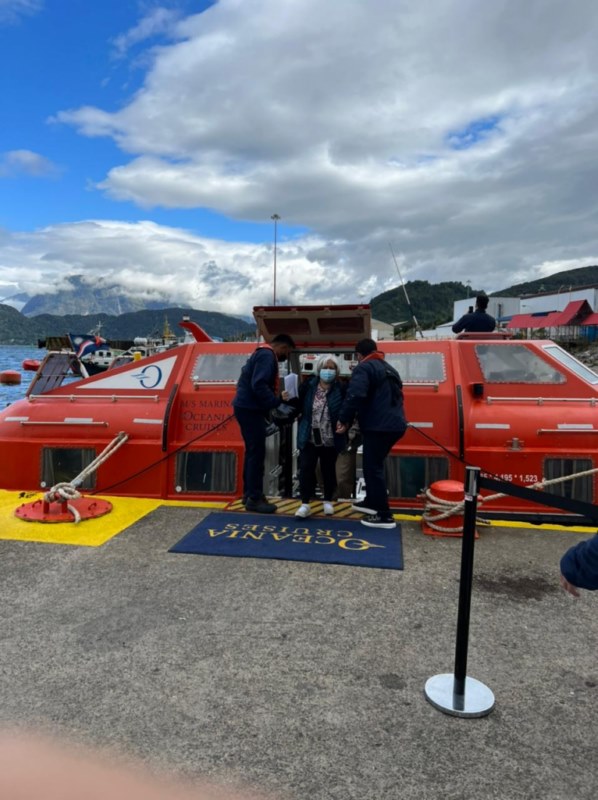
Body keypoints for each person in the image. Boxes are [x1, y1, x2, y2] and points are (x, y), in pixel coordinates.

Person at [336, 338, 407, 529]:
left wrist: (343, 419)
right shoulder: (390, 368)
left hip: (379, 426)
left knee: (373, 466)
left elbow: (355, 395)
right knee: (371, 464)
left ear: (359, 355)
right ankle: (371, 501)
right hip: (395, 424)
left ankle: (384, 515)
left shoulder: (364, 368)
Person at [233, 333, 295, 513]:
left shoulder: (260, 353)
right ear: (282, 347)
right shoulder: (268, 356)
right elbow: (259, 384)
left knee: (252, 452)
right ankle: (254, 498)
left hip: (246, 407)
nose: (286, 357)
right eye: (287, 352)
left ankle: (249, 494)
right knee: (257, 454)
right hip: (250, 410)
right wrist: (276, 404)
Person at [294, 354, 346, 518]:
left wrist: (345, 424)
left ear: (337, 371)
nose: (328, 371)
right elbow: (297, 405)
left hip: (330, 437)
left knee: (328, 470)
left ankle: (328, 501)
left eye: (332, 368)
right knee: (306, 469)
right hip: (308, 435)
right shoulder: (308, 386)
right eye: (325, 367)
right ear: (319, 369)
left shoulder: (341, 388)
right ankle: (304, 503)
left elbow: (347, 409)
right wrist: (285, 398)